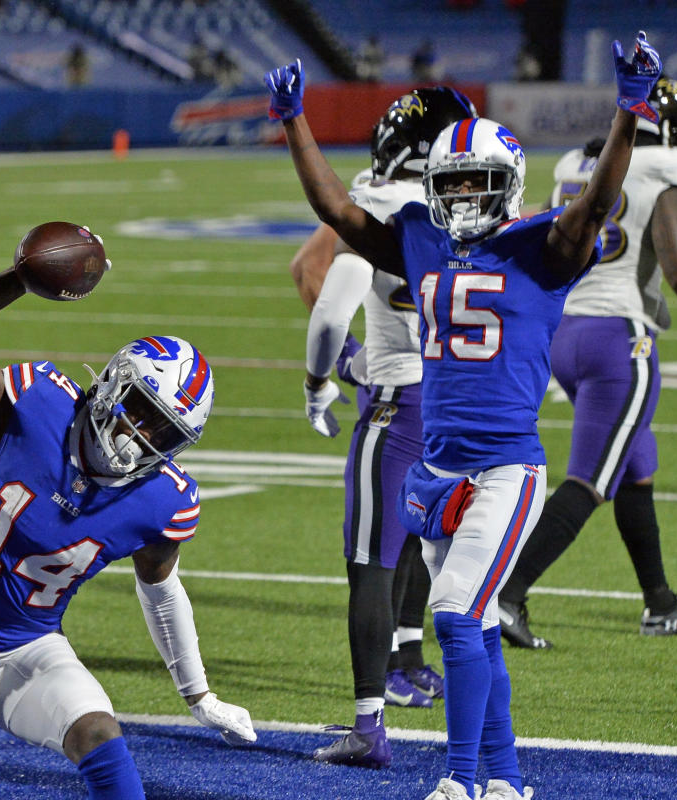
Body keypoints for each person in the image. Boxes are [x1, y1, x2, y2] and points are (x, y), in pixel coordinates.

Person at [265, 30, 662, 800]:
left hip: (506, 468)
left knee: (451, 615)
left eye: (480, 182)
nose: (465, 197)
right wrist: (294, 120)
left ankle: (459, 780)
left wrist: (629, 110)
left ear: (509, 183)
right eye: (453, 183)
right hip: (435, 467)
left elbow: (600, 198)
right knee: (477, 630)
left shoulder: (543, 246)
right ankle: (508, 784)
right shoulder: (421, 237)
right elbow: (337, 211)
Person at [0, 261, 256, 799]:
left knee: (100, 736)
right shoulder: (38, 405)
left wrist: (198, 695)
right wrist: (19, 279)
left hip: (28, 650)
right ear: (114, 383)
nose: (140, 435)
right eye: (139, 410)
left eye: (163, 429)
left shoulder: (164, 500)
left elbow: (161, 591)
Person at [497, 76, 677, 649]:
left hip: (565, 334)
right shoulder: (666, 164)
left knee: (639, 468)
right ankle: (506, 595)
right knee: (589, 480)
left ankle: (659, 604)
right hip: (619, 342)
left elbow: (542, 235)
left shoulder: (573, 160)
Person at [291, 87, 478, 769]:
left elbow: (332, 307)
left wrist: (319, 381)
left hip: (397, 404)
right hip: (461, 404)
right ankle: (423, 674)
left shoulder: (378, 205)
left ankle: (369, 724)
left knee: (370, 561)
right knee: (429, 544)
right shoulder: (474, 207)